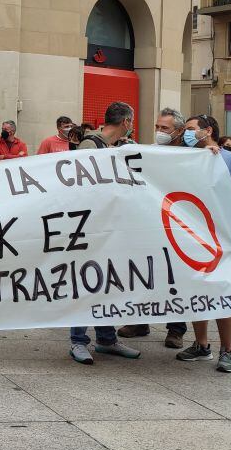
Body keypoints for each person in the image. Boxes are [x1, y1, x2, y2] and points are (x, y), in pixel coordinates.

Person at [175, 115, 231, 372]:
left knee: (225, 292)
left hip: (223, 241)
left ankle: (228, 349)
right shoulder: (183, 158)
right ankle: (201, 344)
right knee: (195, 290)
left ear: (207, 131)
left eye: (190, 129)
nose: (186, 134)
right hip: (192, 240)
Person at [68, 100, 140, 364]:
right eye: (131, 121)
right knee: (86, 282)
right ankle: (78, 341)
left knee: (107, 282)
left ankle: (107, 339)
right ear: (126, 122)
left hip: (109, 227)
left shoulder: (118, 147)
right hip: (90, 227)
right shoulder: (91, 145)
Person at [118, 108, 190, 347]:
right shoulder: (149, 152)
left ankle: (176, 329)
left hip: (177, 225)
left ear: (179, 131)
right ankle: (140, 321)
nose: (159, 132)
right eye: (157, 127)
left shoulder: (193, 156)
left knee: (176, 277)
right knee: (145, 273)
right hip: (150, 223)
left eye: (165, 128)